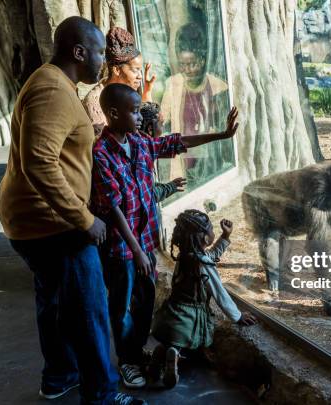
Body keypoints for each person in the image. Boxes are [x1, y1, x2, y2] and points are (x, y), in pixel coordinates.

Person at [0, 16, 145, 405]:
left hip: (34, 221)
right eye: (98, 52)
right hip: (54, 224)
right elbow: (39, 162)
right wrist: (84, 219)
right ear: (79, 52)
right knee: (90, 310)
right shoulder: (52, 90)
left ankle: (59, 377)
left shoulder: (54, 84)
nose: (103, 61)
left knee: (54, 302)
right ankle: (102, 396)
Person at [90, 83, 239, 389]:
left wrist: (221, 135)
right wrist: (138, 251)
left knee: (144, 302)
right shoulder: (101, 153)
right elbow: (113, 207)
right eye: (134, 111)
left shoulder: (140, 142)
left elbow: (177, 142)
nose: (140, 117)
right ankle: (128, 361)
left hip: (144, 242)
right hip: (122, 248)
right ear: (114, 114)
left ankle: (138, 350)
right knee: (122, 307)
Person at [150, 210, 257, 389]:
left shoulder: (185, 255)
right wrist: (237, 316)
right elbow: (219, 293)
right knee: (186, 340)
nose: (213, 232)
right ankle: (175, 354)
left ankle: (160, 356)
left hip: (171, 315)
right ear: (205, 238)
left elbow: (209, 256)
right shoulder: (202, 264)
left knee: (171, 341)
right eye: (211, 229)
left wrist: (225, 236)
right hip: (189, 318)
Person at [160, 22, 230, 184]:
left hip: (210, 161)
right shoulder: (172, 84)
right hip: (183, 161)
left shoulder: (219, 86)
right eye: (183, 64)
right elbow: (162, 119)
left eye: (193, 63)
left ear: (203, 60)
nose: (188, 70)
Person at [83, 27, 156, 136]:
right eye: (135, 70)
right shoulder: (94, 102)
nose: (140, 76)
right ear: (117, 69)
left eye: (140, 70)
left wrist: (147, 91)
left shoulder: (128, 92)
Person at [139, 101, 186, 203]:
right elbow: (149, 196)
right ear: (150, 128)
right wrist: (169, 187)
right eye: (161, 124)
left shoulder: (139, 142)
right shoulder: (143, 150)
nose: (163, 128)